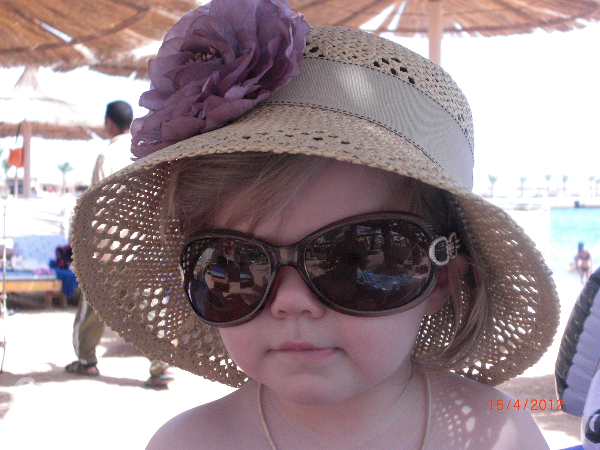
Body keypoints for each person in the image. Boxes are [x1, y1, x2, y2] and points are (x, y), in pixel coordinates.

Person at [70, 1, 560, 448]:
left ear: (442, 279)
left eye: (357, 260)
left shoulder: (500, 435)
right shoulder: (188, 443)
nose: (290, 301)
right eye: (233, 265)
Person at [66, 100, 173, 388]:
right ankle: (161, 367)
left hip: (109, 247)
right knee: (148, 308)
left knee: (93, 304)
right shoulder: (145, 152)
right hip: (141, 247)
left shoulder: (107, 155)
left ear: (109, 123)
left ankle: (86, 361)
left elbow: (97, 204)